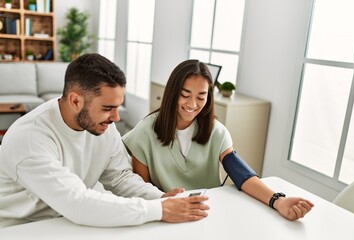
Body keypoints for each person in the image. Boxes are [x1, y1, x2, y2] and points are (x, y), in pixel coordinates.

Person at [0, 54, 209, 228]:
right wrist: (160, 210)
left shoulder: (102, 126)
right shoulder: (30, 138)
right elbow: (78, 203)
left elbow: (120, 178)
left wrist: (160, 198)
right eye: (108, 108)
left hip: (68, 223)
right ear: (75, 101)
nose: (116, 118)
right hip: (21, 229)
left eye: (118, 107)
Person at [123, 59, 314, 221]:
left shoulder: (216, 132)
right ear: (172, 93)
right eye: (185, 95)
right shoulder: (146, 131)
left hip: (209, 214)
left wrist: (278, 201)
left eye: (201, 96)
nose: (192, 104)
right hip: (168, 214)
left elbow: (242, 175)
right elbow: (143, 189)